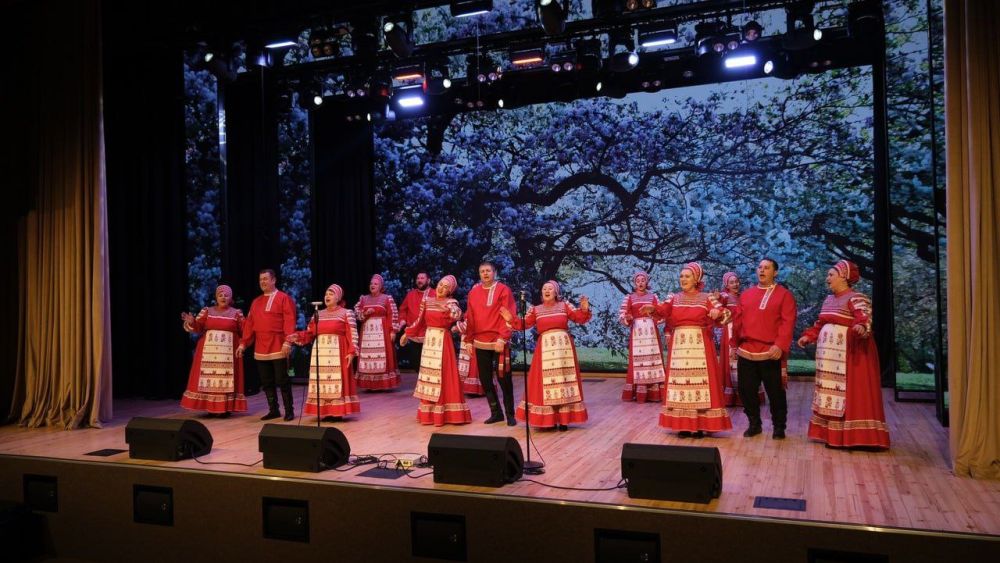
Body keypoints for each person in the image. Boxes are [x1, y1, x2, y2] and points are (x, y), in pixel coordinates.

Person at [797, 261, 890, 449]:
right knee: (830, 392)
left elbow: (864, 318)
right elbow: (821, 323)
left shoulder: (856, 298)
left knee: (850, 393)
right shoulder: (829, 300)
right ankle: (832, 435)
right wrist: (809, 336)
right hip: (830, 360)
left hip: (851, 355)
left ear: (843, 276)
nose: (827, 278)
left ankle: (856, 436)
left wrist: (861, 326)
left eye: (831, 275)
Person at [644, 263, 732, 436]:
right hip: (680, 347)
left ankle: (701, 423)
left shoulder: (707, 298)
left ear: (696, 279)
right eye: (681, 276)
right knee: (681, 383)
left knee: (701, 383)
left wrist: (717, 313)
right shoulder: (673, 298)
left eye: (687, 276)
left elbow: (726, 314)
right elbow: (662, 311)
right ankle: (683, 424)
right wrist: (653, 309)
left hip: (700, 346)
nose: (683, 279)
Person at [500, 280, 590, 431]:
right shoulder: (535, 309)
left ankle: (564, 419)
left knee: (564, 381)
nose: (547, 291)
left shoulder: (564, 305)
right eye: (544, 289)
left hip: (563, 350)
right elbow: (524, 324)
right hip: (545, 349)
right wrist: (511, 319)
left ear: (556, 292)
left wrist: (584, 309)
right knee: (545, 382)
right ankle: (548, 418)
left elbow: (579, 318)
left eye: (550, 289)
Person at [734, 258, 797, 439]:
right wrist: (734, 343)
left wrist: (780, 345)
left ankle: (779, 426)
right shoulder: (746, 294)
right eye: (760, 267)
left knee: (775, 392)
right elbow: (738, 321)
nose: (762, 270)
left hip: (771, 352)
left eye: (767, 268)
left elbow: (788, 323)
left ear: (775, 272)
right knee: (746, 391)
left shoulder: (784, 295)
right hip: (747, 350)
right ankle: (754, 424)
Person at [401, 275, 471, 426]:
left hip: (442, 340)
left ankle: (447, 412)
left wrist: (451, 309)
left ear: (449, 291)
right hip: (429, 341)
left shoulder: (451, 302)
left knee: (444, 374)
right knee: (429, 376)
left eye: (446, 287)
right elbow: (419, 321)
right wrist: (407, 333)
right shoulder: (427, 301)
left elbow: (457, 315)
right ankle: (429, 413)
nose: (441, 288)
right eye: (440, 285)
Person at [286, 284, 361, 421]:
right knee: (322, 382)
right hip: (321, 352)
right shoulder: (318, 314)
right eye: (326, 293)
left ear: (338, 297)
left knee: (336, 380)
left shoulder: (346, 313)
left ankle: (337, 412)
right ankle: (325, 410)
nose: (327, 296)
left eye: (331, 293)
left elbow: (352, 334)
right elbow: (310, 333)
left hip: (338, 351)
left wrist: (351, 352)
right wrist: (297, 336)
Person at [237, 269, 297, 421]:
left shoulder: (284, 298)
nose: (262, 282)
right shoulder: (256, 302)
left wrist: (288, 342)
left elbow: (289, 321)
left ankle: (289, 410)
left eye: (265, 279)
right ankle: (274, 410)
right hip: (261, 347)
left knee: (282, 380)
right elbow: (250, 325)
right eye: (260, 280)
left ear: (273, 280)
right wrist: (243, 344)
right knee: (267, 382)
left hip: (278, 345)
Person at [463, 261, 518, 425]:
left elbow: (508, 315)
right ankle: (496, 413)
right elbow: (470, 317)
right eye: (482, 271)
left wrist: (503, 338)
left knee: (504, 379)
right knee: (486, 380)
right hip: (480, 342)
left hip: (498, 341)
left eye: (488, 271)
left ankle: (510, 414)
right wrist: (468, 340)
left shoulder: (503, 290)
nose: (485, 274)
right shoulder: (474, 292)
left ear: (494, 272)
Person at [180, 284, 248, 416]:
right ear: (216, 297)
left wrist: (242, 344)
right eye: (220, 295)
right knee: (208, 378)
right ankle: (209, 407)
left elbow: (245, 331)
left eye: (226, 295)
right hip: (208, 352)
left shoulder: (236, 313)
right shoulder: (207, 311)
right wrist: (192, 321)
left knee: (225, 379)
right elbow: (198, 327)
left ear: (231, 298)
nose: (223, 297)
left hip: (228, 353)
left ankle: (224, 408)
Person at [716, 272, 764, 407]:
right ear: (726, 284)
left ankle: (745, 394)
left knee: (744, 361)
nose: (735, 284)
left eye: (736, 281)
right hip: (730, 330)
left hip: (742, 330)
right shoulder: (725, 296)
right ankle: (731, 396)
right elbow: (719, 302)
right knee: (732, 360)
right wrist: (718, 297)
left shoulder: (742, 297)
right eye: (731, 282)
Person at [618, 271, 666, 403]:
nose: (640, 283)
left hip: (651, 332)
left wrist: (653, 314)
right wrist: (627, 318)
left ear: (647, 282)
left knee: (653, 359)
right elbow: (622, 314)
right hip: (637, 331)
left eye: (643, 280)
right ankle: (639, 393)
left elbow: (661, 312)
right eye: (638, 280)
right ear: (634, 283)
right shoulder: (629, 297)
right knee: (638, 360)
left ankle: (654, 393)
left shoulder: (653, 297)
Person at [354, 274, 401, 390]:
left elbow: (393, 314)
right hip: (367, 334)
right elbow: (356, 313)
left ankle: (383, 384)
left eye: (375, 284)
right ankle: (370, 384)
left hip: (382, 331)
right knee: (368, 357)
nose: (372, 285)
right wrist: (365, 313)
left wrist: (393, 331)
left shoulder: (387, 298)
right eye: (371, 283)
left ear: (380, 286)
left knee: (383, 357)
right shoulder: (363, 299)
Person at [397, 272, 433, 370]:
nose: (419, 280)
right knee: (416, 363)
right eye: (418, 278)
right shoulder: (411, 294)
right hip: (413, 335)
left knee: (429, 363)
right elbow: (403, 310)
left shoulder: (434, 294)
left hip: (429, 334)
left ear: (428, 280)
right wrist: (402, 320)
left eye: (422, 278)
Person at [455, 316, 489, 395]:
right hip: (479, 337)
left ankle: (474, 389)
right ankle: (482, 388)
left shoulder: (474, 306)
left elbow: (469, 324)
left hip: (473, 339)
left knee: (473, 363)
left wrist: (457, 327)